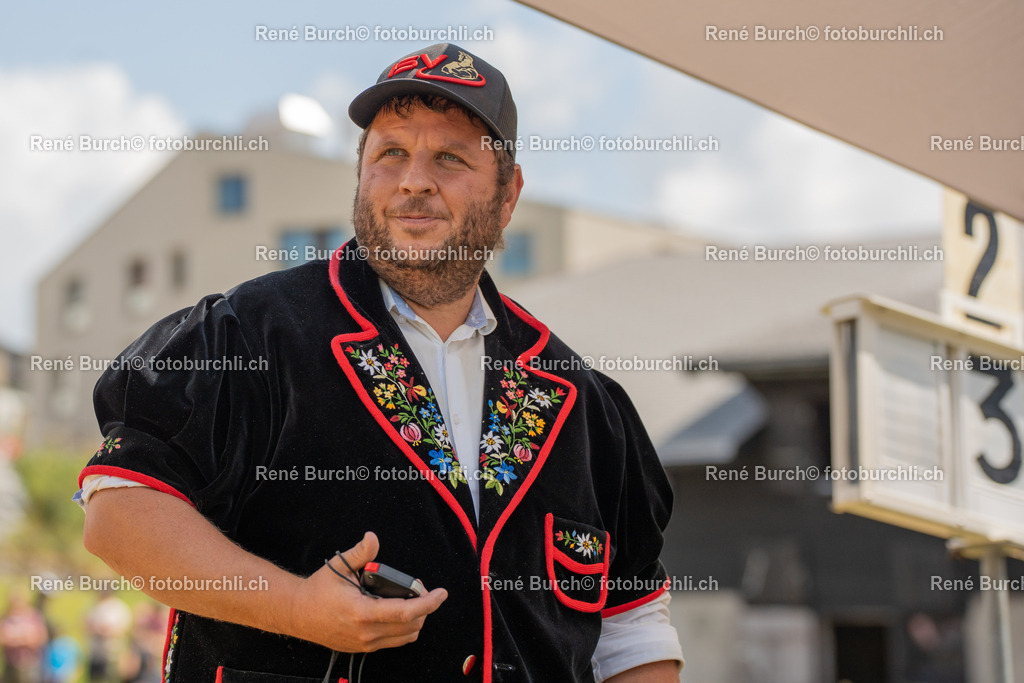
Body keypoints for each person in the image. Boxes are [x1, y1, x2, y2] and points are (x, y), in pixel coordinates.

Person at [78, 43, 683, 682]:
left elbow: (632, 631)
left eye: (449, 157)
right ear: (361, 172)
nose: (413, 179)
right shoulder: (249, 336)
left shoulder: (583, 403)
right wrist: (298, 609)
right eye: (390, 152)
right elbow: (120, 514)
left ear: (510, 194)